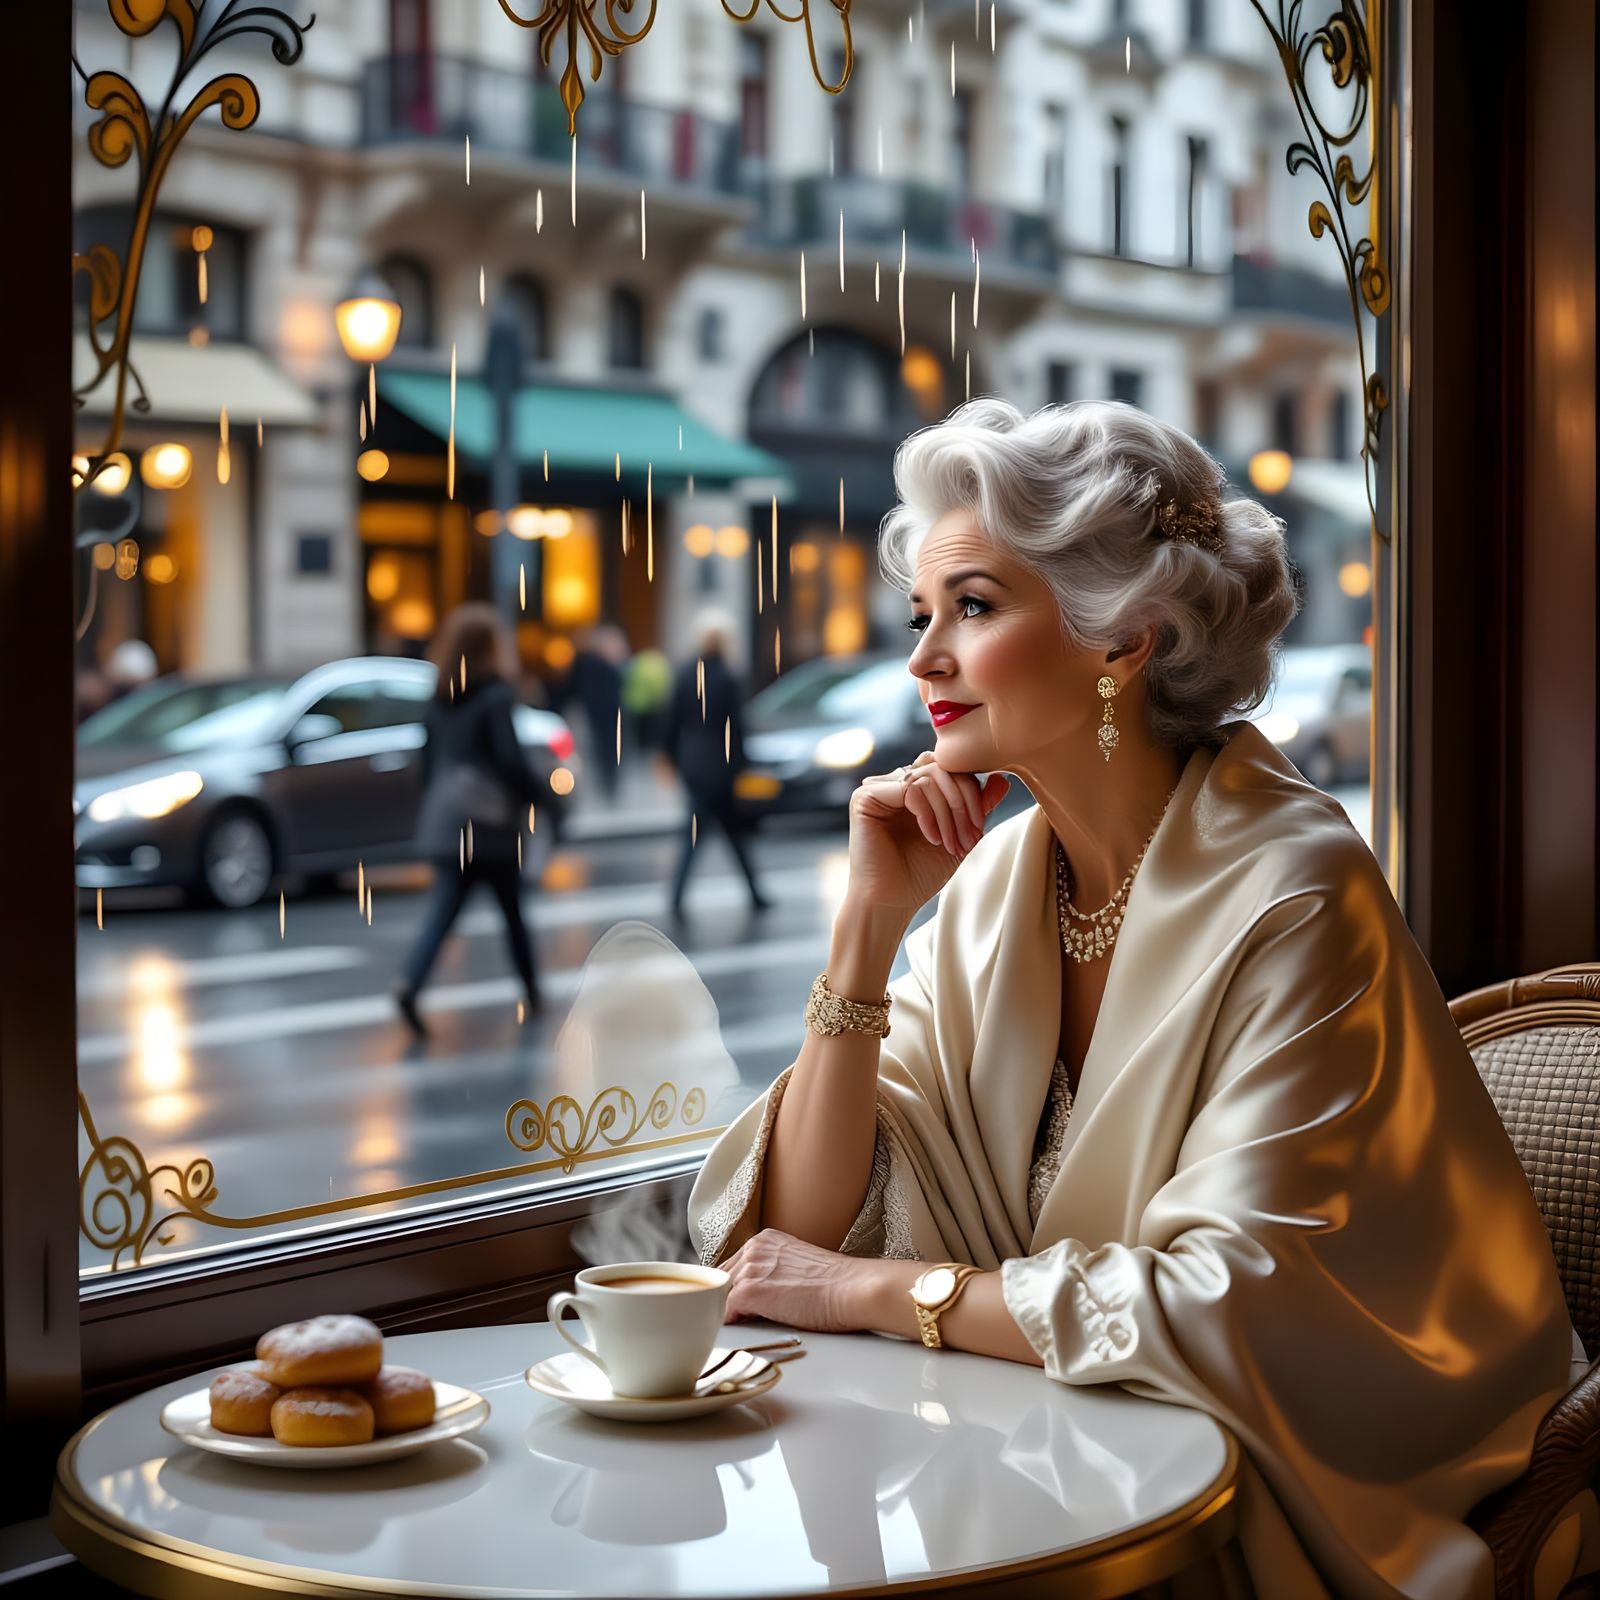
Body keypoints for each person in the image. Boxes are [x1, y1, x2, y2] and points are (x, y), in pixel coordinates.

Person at [687, 399, 1577, 1599]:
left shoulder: (1295, 888)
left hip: (1281, 1480)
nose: (921, 658)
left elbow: (1224, 1309)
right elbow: (795, 1227)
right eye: (922, 613)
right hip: (1042, 1450)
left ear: (1124, 639)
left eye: (975, 607)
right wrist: (864, 933)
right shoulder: (996, 882)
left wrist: (881, 1293)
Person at [393, 603, 545, 1035]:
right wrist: (539, 795)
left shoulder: (441, 695)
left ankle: (410, 983)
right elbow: (509, 760)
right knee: (513, 912)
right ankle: (533, 993)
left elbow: (425, 762)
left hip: (447, 822)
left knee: (442, 912)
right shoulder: (496, 695)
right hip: (489, 826)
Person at [657, 609, 773, 918]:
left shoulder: (684, 673)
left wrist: (668, 756)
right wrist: (743, 764)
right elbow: (734, 727)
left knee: (711, 830)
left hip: (693, 762)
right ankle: (750, 893)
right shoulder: (728, 677)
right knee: (720, 832)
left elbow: (672, 721)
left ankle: (684, 895)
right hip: (721, 765)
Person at [560, 625, 626, 801]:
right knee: (605, 748)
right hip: (603, 712)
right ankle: (608, 783)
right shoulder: (596, 665)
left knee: (604, 747)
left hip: (602, 712)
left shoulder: (594, 664)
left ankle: (608, 783)